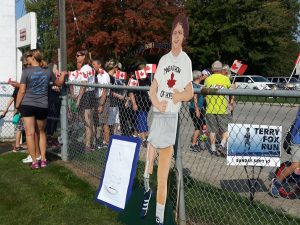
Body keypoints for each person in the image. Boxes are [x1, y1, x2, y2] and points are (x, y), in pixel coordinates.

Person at [140, 13, 193, 225]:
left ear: (184, 37)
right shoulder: (163, 60)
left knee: (162, 174)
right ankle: (146, 194)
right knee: (147, 168)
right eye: (174, 32)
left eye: (180, 33)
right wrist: (156, 102)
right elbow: (153, 88)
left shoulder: (185, 60)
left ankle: (159, 217)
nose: (176, 36)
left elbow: (189, 92)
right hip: (158, 115)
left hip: (171, 117)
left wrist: (175, 96)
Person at [15, 49, 66, 169]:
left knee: (29, 133)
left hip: (27, 105)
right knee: (42, 132)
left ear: (33, 57)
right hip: (42, 105)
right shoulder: (47, 71)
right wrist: (63, 75)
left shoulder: (26, 71)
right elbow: (58, 83)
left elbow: (22, 90)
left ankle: (34, 162)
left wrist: (17, 106)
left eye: (28, 56)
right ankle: (43, 159)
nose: (26, 58)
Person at [270, 107, 300, 197]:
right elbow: (295, 127)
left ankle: (298, 186)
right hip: (297, 142)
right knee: (295, 165)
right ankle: (277, 183)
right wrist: (290, 140)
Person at [204, 60, 231, 157]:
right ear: (221, 69)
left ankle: (213, 148)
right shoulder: (225, 79)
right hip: (223, 108)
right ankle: (222, 145)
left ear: (212, 69)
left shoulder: (208, 79)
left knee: (212, 130)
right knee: (226, 129)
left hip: (210, 107)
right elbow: (230, 89)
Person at [75, 50, 96, 152]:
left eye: (78, 55)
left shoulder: (84, 68)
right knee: (89, 121)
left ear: (84, 56)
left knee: (87, 121)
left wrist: (79, 99)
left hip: (87, 95)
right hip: (90, 94)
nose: (76, 57)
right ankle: (89, 143)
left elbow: (84, 84)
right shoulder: (90, 68)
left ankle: (88, 145)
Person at [129, 63, 152, 147]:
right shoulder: (134, 79)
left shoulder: (147, 80)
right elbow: (130, 92)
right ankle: (144, 139)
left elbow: (150, 91)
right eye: (145, 70)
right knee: (142, 121)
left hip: (146, 105)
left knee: (142, 121)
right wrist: (134, 103)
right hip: (139, 104)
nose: (147, 72)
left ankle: (135, 136)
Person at [92, 58, 111, 148]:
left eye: (94, 65)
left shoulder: (105, 75)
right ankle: (102, 140)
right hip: (98, 98)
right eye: (92, 65)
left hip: (103, 99)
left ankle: (107, 142)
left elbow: (105, 90)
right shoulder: (98, 75)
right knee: (99, 121)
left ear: (99, 65)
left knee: (104, 122)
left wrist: (101, 104)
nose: (93, 66)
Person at [189, 70, 205, 152]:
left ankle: (199, 141)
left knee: (201, 126)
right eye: (201, 75)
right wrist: (197, 109)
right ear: (199, 77)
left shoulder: (194, 84)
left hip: (196, 108)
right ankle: (193, 144)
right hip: (196, 108)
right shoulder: (195, 86)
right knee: (198, 127)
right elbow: (195, 97)